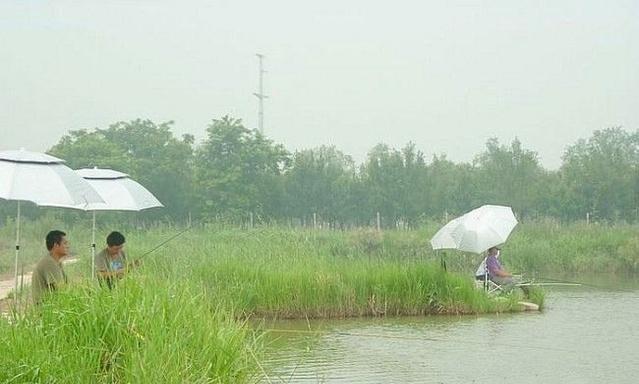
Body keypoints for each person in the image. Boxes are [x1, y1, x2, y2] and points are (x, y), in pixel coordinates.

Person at [32, 230, 69, 304]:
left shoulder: (56, 262)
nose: (68, 246)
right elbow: (62, 290)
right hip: (46, 310)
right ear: (56, 245)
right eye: (65, 243)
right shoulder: (50, 263)